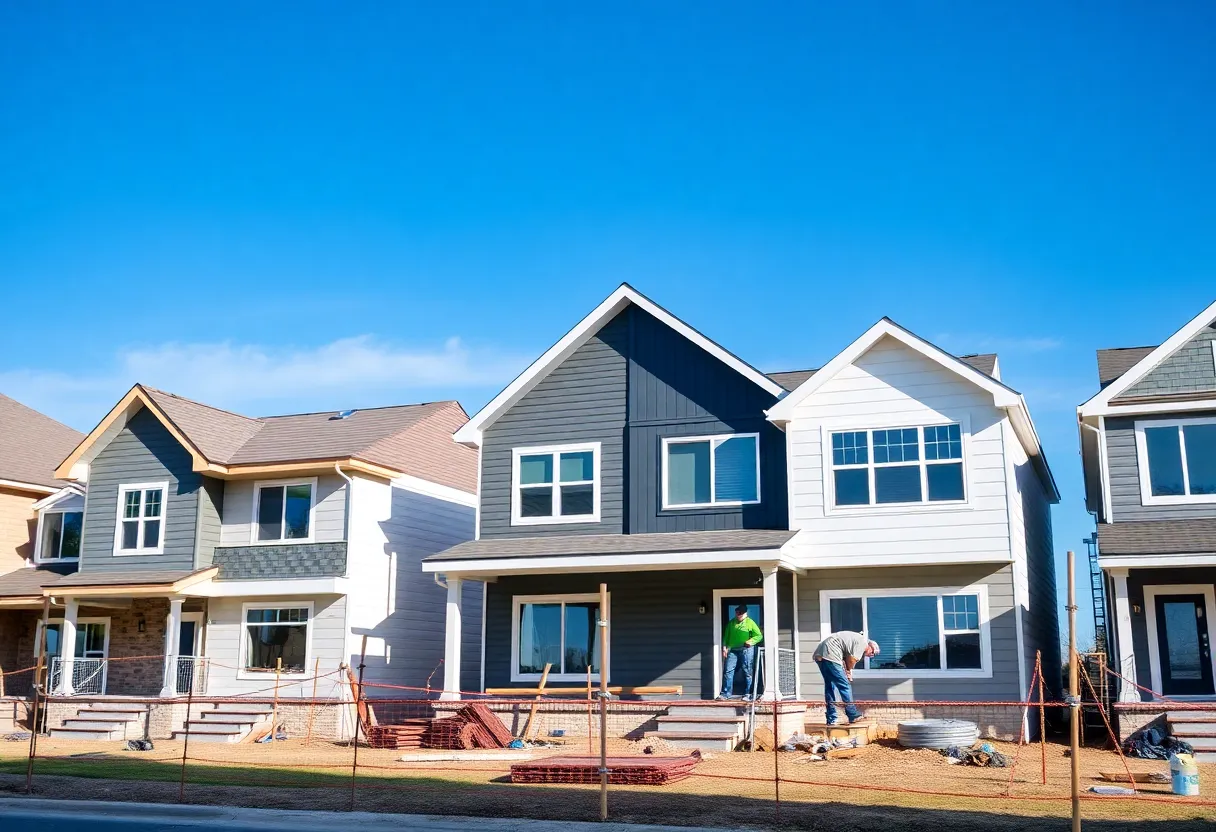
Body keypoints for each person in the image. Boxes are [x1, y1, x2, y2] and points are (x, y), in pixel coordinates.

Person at [812, 631, 879, 724]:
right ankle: (852, 714)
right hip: (831, 653)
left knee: (830, 686)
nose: (870, 655)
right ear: (870, 646)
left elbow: (845, 660)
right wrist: (848, 672)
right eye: (872, 653)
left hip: (820, 653)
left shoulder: (853, 641)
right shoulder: (862, 643)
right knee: (845, 685)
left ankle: (832, 718)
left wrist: (847, 671)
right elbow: (851, 660)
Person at [718, 605, 763, 700]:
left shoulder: (750, 622)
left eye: (741, 614)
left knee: (747, 671)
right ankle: (725, 694)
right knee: (728, 671)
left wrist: (751, 642)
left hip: (746, 650)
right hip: (733, 650)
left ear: (745, 614)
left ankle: (747, 694)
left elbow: (759, 636)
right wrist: (724, 647)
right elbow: (726, 636)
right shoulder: (731, 623)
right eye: (737, 613)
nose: (738, 615)